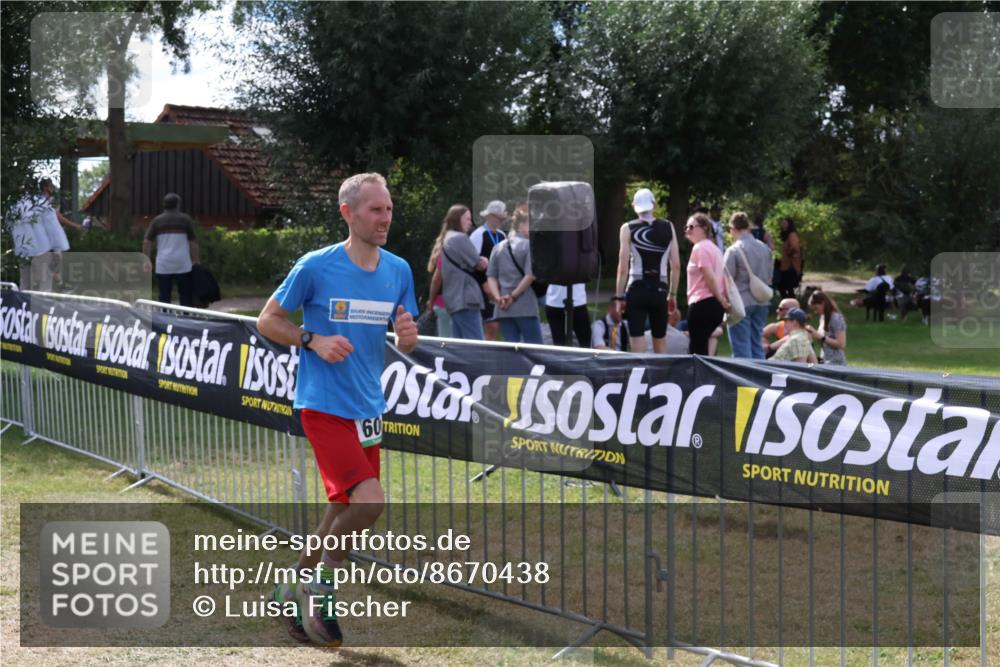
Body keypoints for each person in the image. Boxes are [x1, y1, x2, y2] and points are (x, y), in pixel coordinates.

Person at [256, 172, 418, 647]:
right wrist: (313, 338)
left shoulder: (399, 270)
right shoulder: (316, 266)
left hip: (368, 408)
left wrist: (409, 339)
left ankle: (290, 585)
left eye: (388, 209)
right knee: (371, 503)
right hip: (323, 406)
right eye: (375, 209)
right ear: (348, 213)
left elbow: (407, 336)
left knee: (340, 509)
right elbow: (268, 319)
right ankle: (321, 583)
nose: (385, 218)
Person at [615, 187, 680, 353]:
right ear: (654, 205)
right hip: (660, 289)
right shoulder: (668, 226)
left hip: (636, 289)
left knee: (636, 341)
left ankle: (640, 377)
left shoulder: (627, 228)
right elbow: (676, 266)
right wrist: (672, 294)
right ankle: (661, 378)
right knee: (660, 341)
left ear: (633, 205)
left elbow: (623, 268)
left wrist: (619, 297)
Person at [485, 205, 543, 343]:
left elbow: (491, 276)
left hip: (503, 308)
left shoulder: (498, 247)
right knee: (536, 348)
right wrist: (513, 296)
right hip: (525, 305)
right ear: (522, 225)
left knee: (511, 350)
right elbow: (530, 275)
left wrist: (498, 298)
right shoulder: (528, 246)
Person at [724, 212, 773, 359]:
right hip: (762, 301)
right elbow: (769, 277)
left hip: (741, 302)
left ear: (733, 228)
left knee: (741, 347)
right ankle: (759, 379)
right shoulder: (765, 249)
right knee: (757, 344)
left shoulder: (733, 250)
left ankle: (744, 381)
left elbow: (726, 279)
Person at [684, 213, 731, 355]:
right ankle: (706, 375)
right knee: (704, 347)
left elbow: (710, 277)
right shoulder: (715, 249)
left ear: (704, 228)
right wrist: (722, 301)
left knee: (697, 351)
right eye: (686, 227)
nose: (687, 230)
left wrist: (722, 300)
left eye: (691, 226)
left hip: (703, 304)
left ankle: (699, 377)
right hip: (714, 306)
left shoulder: (700, 248)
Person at [440, 204, 487, 340]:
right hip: (466, 298)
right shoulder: (459, 238)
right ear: (457, 219)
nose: (470, 222)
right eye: (467, 219)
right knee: (476, 344)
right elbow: (479, 264)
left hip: (453, 299)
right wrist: (484, 260)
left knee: (460, 345)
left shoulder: (447, 238)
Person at [143, 193, 199, 306]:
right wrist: (195, 260)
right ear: (177, 205)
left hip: (163, 264)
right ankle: (185, 320)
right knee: (185, 295)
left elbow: (147, 241)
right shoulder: (185, 220)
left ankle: (165, 320)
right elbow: (193, 242)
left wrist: (147, 260)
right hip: (183, 263)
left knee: (164, 297)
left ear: (164, 205)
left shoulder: (157, 221)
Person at [470, 200, 508, 341]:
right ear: (490, 217)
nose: (502, 221)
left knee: (497, 326)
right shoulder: (478, 235)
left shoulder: (502, 235)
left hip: (499, 287)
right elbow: (472, 263)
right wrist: (484, 284)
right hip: (482, 288)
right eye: (500, 218)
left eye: (503, 218)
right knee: (491, 326)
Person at [8, 183, 56, 291]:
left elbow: (11, 228)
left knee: (25, 282)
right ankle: (43, 306)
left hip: (22, 247)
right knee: (45, 282)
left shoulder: (14, 206)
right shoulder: (42, 205)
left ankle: (22, 306)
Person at [36, 178, 82, 288]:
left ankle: (56, 282)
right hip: (50, 236)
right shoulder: (50, 201)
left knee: (53, 259)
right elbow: (58, 217)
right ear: (46, 188)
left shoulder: (37, 200)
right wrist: (75, 225)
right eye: (51, 186)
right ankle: (57, 283)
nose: (53, 187)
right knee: (56, 257)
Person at [425, 211, 462, 338]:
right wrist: (431, 301)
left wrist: (431, 301)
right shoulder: (451, 248)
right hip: (447, 303)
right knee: (447, 343)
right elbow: (437, 279)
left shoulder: (441, 246)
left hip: (442, 302)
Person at [805, 290, 847, 365]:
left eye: (816, 308)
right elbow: (824, 342)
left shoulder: (836, 318)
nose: (816, 312)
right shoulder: (822, 317)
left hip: (836, 363)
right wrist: (812, 334)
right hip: (825, 360)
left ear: (823, 303)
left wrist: (820, 337)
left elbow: (841, 344)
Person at [776, 217, 802, 298]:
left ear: (789, 225)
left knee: (786, 287)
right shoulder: (785, 236)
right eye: (782, 224)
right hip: (784, 266)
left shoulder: (792, 235)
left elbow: (795, 248)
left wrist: (788, 252)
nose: (782, 225)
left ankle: (791, 304)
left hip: (791, 267)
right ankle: (787, 302)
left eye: (784, 224)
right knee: (781, 287)